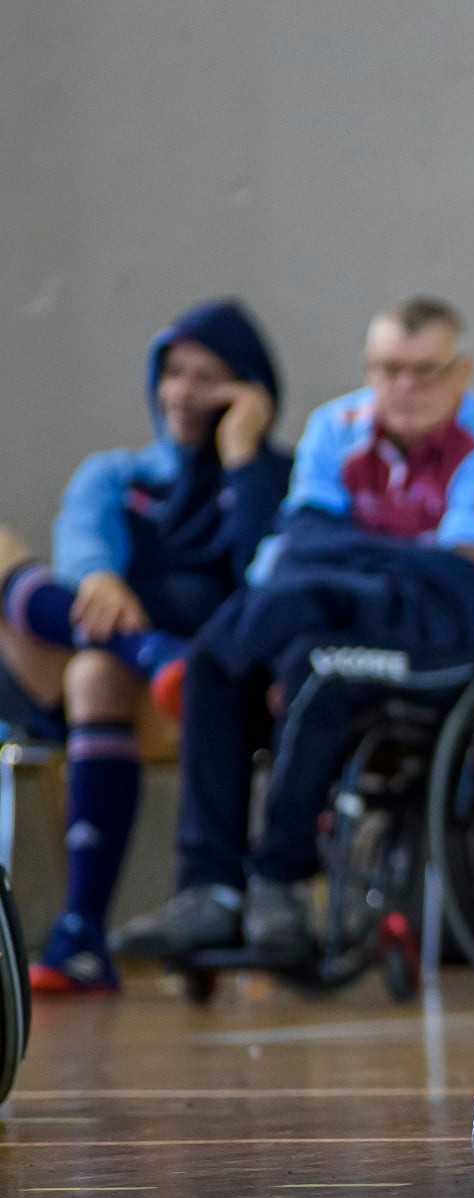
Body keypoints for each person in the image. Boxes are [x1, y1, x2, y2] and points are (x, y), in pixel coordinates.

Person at [113, 296, 474, 962]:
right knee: (214, 661)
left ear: (461, 373)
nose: (404, 386)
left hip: (473, 653)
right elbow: (295, 544)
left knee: (318, 661)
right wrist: (401, 559)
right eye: (387, 368)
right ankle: (210, 890)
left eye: (424, 370)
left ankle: (279, 884)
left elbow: (454, 593)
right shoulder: (333, 428)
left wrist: (342, 553)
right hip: (355, 626)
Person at [0, 300, 290, 993]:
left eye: (210, 377)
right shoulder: (119, 474)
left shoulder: (280, 478)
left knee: (99, 671)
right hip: (108, 675)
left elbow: (266, 579)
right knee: (94, 658)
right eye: (174, 373)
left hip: (217, 701)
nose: (185, 394)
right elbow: (82, 541)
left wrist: (244, 455)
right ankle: (153, 652)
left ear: (251, 388)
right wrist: (97, 578)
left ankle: (80, 932)